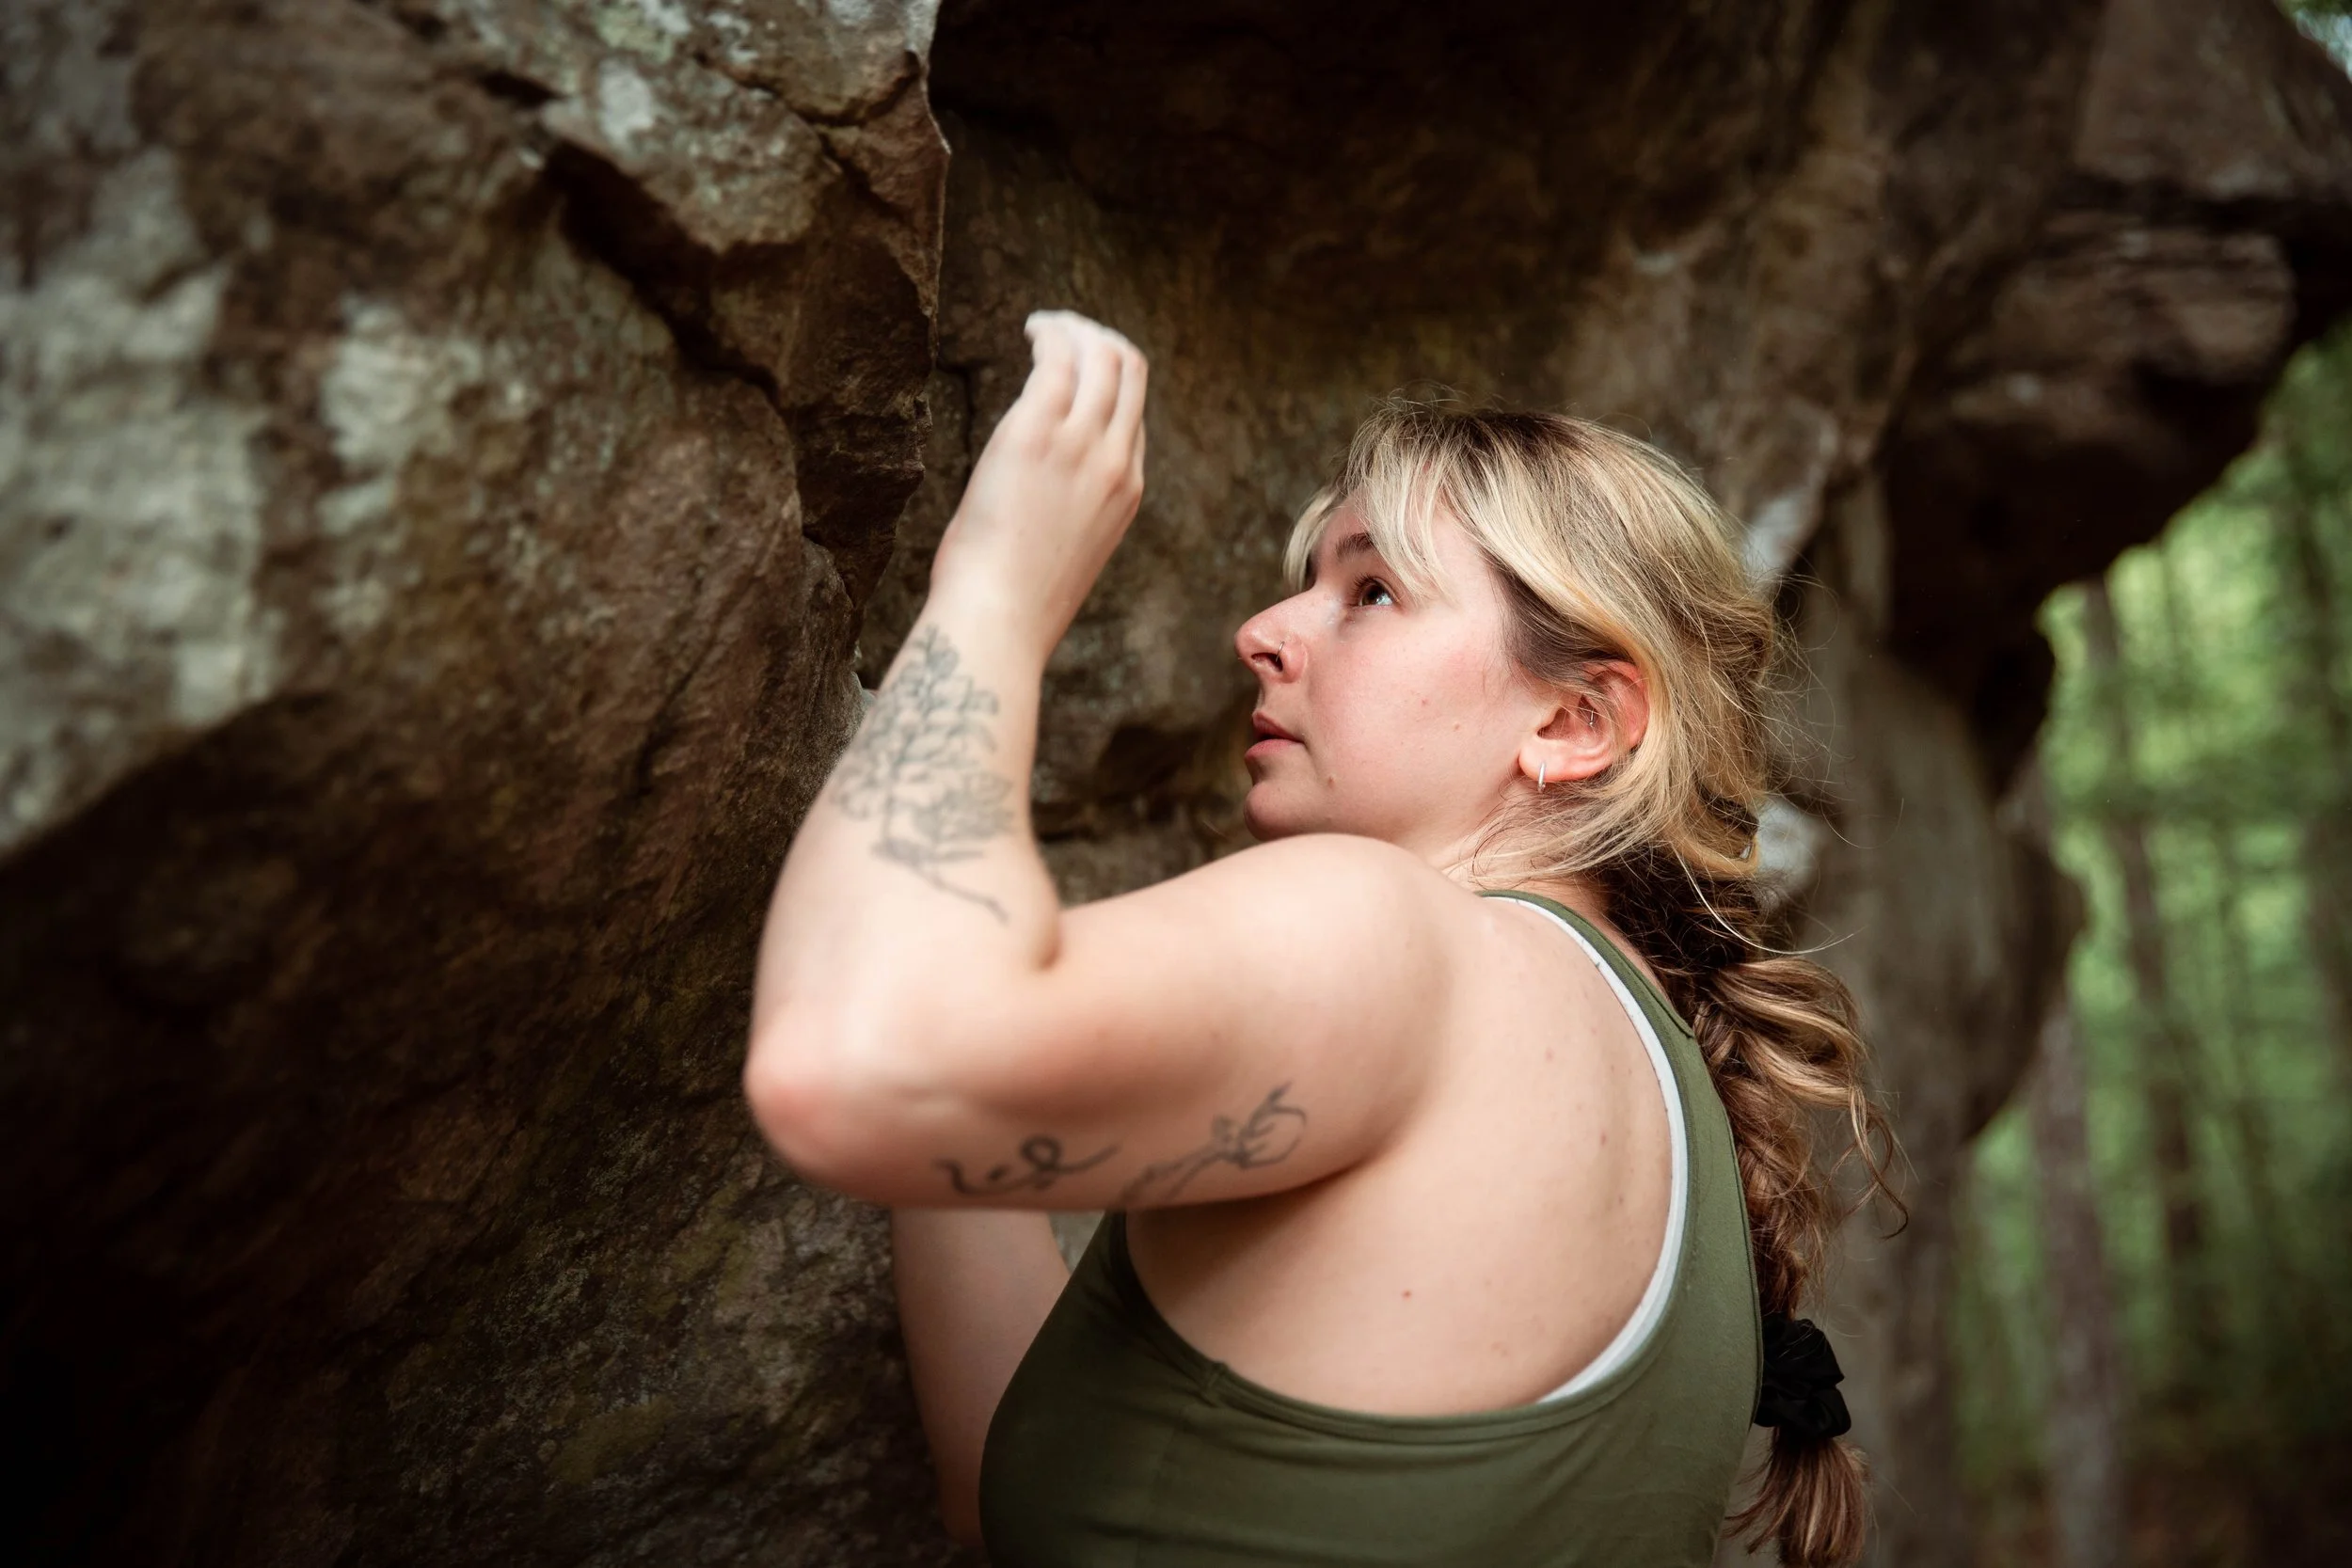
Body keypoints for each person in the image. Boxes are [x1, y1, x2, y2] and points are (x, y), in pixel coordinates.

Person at [744, 310, 1893, 1567]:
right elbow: (1018, 1476)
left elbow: (846, 1069)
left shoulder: (1409, 941)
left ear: (1574, 720)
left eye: (1373, 590)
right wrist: (926, 842)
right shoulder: (1666, 1121)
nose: (1265, 630)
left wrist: (997, 588)